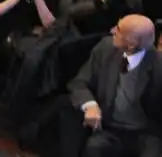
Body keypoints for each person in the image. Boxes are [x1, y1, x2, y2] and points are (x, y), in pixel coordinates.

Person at [64, 15, 161, 157]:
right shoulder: (105, 48)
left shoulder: (158, 65)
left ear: (132, 43)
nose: (113, 30)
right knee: (93, 149)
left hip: (145, 134)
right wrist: (90, 105)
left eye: (119, 30)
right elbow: (79, 82)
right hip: (110, 129)